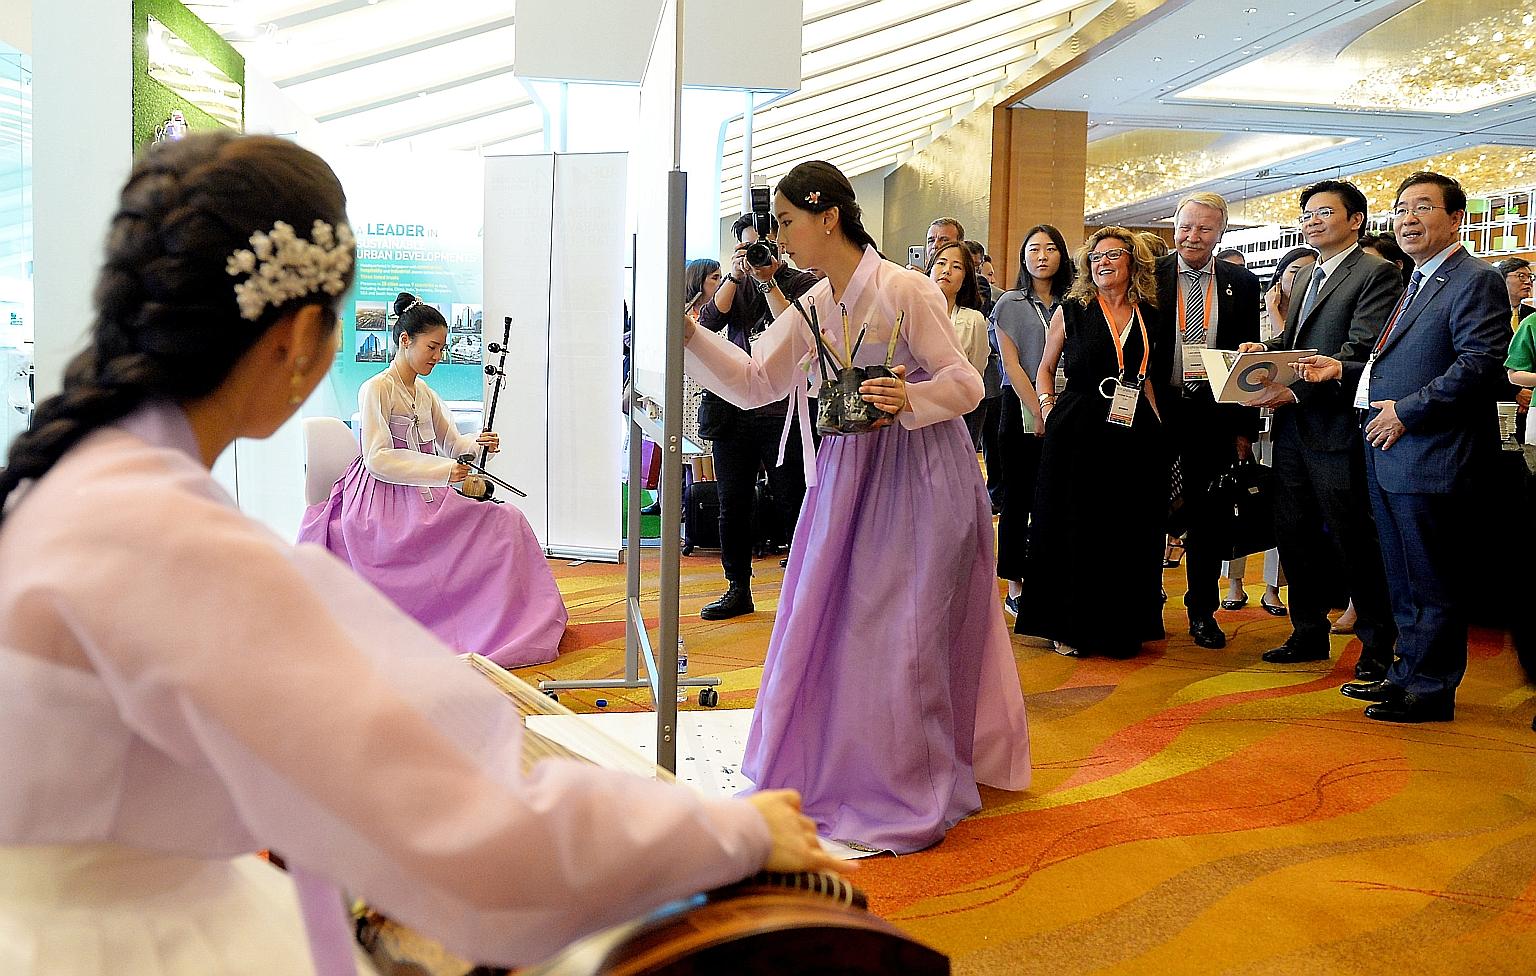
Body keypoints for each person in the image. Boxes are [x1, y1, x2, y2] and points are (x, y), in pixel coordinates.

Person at [0, 132, 836, 975]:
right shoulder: (170, 545)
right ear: (297, 339)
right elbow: (474, 841)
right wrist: (729, 826)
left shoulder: (65, 485)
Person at [682, 160, 1031, 853]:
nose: (777, 240)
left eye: (785, 223)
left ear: (828, 217)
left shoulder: (906, 289)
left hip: (921, 474)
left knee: (904, 632)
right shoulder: (812, 306)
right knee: (833, 621)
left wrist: (911, 399)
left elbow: (967, 385)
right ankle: (841, 764)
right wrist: (687, 334)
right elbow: (755, 383)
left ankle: (909, 782)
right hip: (845, 476)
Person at [1295, 171, 1510, 723]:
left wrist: (1407, 411)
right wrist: (1339, 367)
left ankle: (1432, 689)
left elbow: (1480, 365)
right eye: (1402, 208)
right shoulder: (1417, 279)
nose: (1408, 218)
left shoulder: (1473, 278)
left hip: (1430, 452)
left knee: (1431, 577)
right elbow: (1391, 361)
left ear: (1456, 218)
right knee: (1402, 574)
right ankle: (1406, 673)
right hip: (1388, 449)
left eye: (1423, 207)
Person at [299, 292, 569, 669]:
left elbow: (452, 443)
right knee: (492, 526)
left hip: (425, 493)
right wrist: (444, 470)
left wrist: (478, 443)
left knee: (508, 520)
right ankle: (462, 625)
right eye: (432, 347)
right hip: (382, 499)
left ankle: (510, 622)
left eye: (442, 349)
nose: (438, 357)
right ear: (405, 340)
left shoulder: (424, 392)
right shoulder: (376, 388)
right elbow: (378, 459)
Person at [1236, 180, 1398, 678]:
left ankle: (1375, 643)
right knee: (1295, 530)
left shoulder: (1377, 273)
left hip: (1337, 428)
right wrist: (1265, 352)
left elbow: (1359, 354)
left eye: (1325, 212)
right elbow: (1295, 341)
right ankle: (1307, 632)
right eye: (1307, 212)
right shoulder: (1307, 275)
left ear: (1355, 220)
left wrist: (1297, 389)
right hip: (1291, 430)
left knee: (1352, 536)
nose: (1312, 219)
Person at [1018, 228, 1174, 658]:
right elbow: (1045, 368)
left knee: (1127, 526)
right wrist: (1047, 410)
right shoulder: (1072, 309)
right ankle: (1066, 625)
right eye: (1096, 257)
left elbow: (1151, 380)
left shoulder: (1151, 314)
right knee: (1074, 524)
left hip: (1133, 427)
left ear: (1133, 263)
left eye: (1113, 255)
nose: (1103, 263)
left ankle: (1121, 626)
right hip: (1079, 423)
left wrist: (1158, 427)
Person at [695, 218, 817, 619]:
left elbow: (795, 329)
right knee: (733, 503)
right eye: (747, 248)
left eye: (762, 246)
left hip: (784, 411)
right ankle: (737, 588)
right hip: (734, 410)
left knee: (792, 501)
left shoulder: (801, 282)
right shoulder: (734, 283)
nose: (756, 255)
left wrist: (768, 282)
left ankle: (804, 591)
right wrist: (734, 276)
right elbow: (707, 326)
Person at [1157, 192, 1262, 651]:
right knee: (1147, 512)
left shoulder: (1242, 280)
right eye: (1185, 227)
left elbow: (1250, 358)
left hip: (1214, 415)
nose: (1192, 236)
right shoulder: (1150, 276)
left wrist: (1244, 428)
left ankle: (1202, 612)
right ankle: (1144, 604)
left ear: (1220, 233)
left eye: (1203, 229)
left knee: (1210, 520)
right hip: (1157, 411)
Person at [1224, 245, 1317, 618]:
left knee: (1283, 512)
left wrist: (1281, 316)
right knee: (1240, 500)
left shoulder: (1302, 312)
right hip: (1256, 422)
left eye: (1308, 271)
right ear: (1280, 277)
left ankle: (1274, 587)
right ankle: (1233, 582)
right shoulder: (1260, 318)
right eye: (1294, 271)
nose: (1301, 278)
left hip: (1292, 421)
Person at [990, 224, 1067, 617]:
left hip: (1066, 408)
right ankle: (1016, 583)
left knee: (1056, 498)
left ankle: (1051, 575)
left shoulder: (1075, 302)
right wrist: (1039, 409)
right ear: (1023, 257)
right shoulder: (1009, 304)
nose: (1042, 256)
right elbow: (1011, 365)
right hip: (1021, 406)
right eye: (1033, 249)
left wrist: (1055, 410)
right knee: (1019, 497)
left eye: (1050, 248)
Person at [931, 241, 992, 445]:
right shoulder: (907, 313)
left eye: (956, 267)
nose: (946, 271)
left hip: (957, 413)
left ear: (965, 278)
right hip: (915, 408)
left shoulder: (974, 320)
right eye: (941, 263)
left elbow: (975, 371)